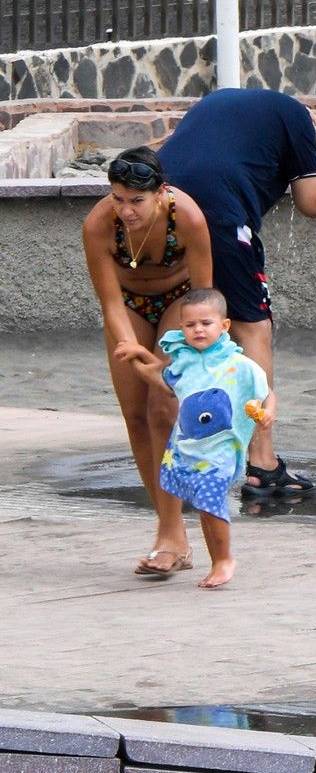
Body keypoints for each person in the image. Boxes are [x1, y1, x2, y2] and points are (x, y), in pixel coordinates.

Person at [157, 88, 316, 499]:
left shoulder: (220, 102)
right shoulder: (299, 118)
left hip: (161, 201)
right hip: (219, 210)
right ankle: (263, 463)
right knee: (253, 328)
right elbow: (313, 200)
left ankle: (172, 449)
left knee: (185, 324)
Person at [82, 145, 214, 576]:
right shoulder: (99, 225)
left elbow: (203, 301)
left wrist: (196, 353)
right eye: (118, 198)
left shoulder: (188, 218)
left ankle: (173, 533)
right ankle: (168, 529)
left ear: (161, 192)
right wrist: (133, 353)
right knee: (136, 414)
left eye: (136, 201)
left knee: (163, 409)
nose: (126, 211)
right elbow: (110, 303)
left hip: (181, 303)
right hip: (129, 307)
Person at [115, 288, 272, 589]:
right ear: (182, 329)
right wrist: (137, 357)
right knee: (204, 506)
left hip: (222, 449)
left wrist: (267, 415)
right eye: (190, 325)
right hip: (191, 449)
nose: (198, 329)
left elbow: (266, 392)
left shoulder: (238, 364)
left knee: (211, 501)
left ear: (224, 326)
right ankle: (216, 562)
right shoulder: (185, 362)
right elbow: (161, 378)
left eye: (206, 323)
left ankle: (225, 559)